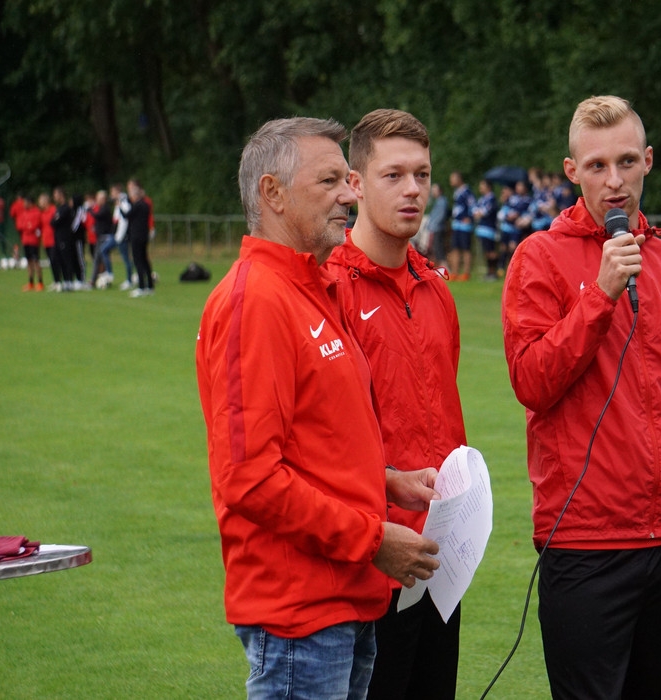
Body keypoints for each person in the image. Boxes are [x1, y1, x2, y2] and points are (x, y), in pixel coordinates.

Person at [501, 95, 661, 700]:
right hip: (587, 543)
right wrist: (600, 296)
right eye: (596, 166)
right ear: (570, 170)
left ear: (649, 162)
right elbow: (531, 381)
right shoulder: (538, 258)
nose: (614, 181)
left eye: (627, 161)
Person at [196, 116, 442, 700]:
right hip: (298, 617)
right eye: (330, 180)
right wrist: (372, 537)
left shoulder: (310, 287)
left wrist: (384, 483)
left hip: (344, 603)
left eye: (347, 179)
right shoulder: (255, 299)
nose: (350, 194)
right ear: (272, 193)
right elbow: (250, 478)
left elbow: (313, 447)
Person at [325, 108, 467, 700]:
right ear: (354, 183)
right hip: (369, 564)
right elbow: (322, 441)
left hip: (439, 562)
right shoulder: (328, 288)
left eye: (422, 174)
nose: (412, 189)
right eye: (393, 175)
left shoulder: (436, 287)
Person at [124, 179, 155, 297]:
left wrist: (122, 206)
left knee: (138, 260)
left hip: (136, 236)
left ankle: (142, 286)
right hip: (144, 235)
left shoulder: (137, 205)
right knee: (145, 260)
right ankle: (150, 286)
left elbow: (127, 215)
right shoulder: (146, 204)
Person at [448, 171, 475, 280]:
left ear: (459, 179)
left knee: (466, 249)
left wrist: (470, 217)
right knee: (455, 248)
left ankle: (466, 273)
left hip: (464, 226)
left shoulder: (467, 192)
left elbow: (473, 205)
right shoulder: (457, 192)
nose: (451, 181)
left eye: (453, 178)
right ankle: (454, 272)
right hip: (456, 224)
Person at [472, 179, 500, 280]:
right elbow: (475, 211)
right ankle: (489, 272)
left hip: (489, 229)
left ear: (488, 187)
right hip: (482, 229)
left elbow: (484, 212)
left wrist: (479, 213)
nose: (480, 187)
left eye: (482, 185)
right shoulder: (482, 199)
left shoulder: (492, 199)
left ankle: (494, 272)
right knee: (486, 252)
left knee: (491, 251)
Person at [15, 195, 43, 290]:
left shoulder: (36, 212)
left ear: (30, 203)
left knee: (35, 262)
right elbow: (20, 226)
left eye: (25, 203)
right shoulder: (24, 213)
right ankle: (30, 282)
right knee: (29, 262)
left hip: (33, 241)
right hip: (25, 240)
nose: (24, 205)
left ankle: (40, 283)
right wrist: (27, 227)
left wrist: (27, 227)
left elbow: (34, 226)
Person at [425, 182, 449, 267]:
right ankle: (441, 267)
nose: (432, 192)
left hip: (438, 228)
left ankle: (445, 268)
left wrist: (433, 225)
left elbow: (440, 216)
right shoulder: (438, 201)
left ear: (439, 191)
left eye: (434, 190)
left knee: (439, 249)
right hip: (435, 228)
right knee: (435, 249)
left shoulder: (442, 202)